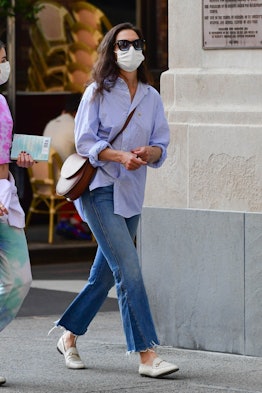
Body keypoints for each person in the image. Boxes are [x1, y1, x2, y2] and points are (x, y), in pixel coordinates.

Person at [52, 22, 179, 378]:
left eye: (137, 43)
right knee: (129, 270)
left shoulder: (151, 97)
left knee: (104, 276)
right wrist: (118, 156)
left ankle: (69, 336)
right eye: (123, 44)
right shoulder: (96, 92)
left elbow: (162, 145)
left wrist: (149, 152)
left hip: (131, 194)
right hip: (98, 190)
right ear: (111, 49)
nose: (131, 49)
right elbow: (84, 142)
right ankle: (147, 354)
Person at [0, 40, 34, 385]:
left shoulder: (1, 103)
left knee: (19, 281)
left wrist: (20, 158)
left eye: (5, 60)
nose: (3, 67)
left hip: (6, 197)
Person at [43, 93, 92, 240]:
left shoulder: (51, 123)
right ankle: (76, 220)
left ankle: (66, 219)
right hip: (63, 184)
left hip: (44, 181)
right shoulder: (76, 127)